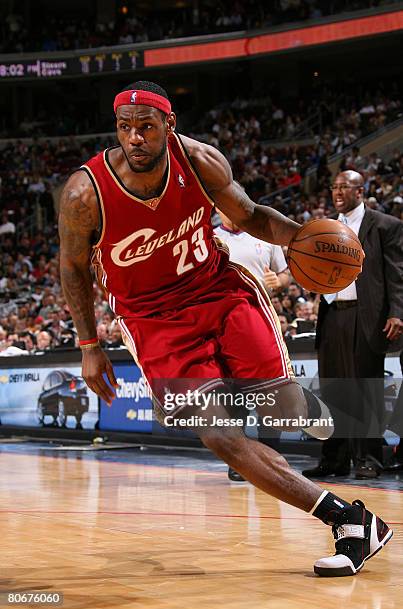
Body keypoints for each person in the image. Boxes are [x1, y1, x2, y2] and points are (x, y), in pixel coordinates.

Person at [59, 81, 392, 577]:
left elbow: (253, 215)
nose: (135, 138)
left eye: (146, 127)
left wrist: (305, 241)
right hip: (152, 319)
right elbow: (71, 268)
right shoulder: (84, 193)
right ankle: (349, 520)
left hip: (220, 291)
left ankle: (303, 404)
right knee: (218, 434)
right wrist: (89, 345)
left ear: (169, 126)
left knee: (279, 406)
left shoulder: (199, 162)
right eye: (125, 128)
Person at [303, 170, 403, 480]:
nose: (337, 192)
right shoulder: (326, 228)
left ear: (360, 191)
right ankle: (334, 459)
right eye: (334, 187)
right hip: (332, 313)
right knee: (332, 388)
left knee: (364, 388)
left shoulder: (385, 225)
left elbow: (397, 275)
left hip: (366, 314)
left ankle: (369, 458)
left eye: (344, 187)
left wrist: (397, 312)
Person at [214, 209, 289, 481]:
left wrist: (278, 282)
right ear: (216, 207)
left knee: (270, 391)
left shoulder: (265, 237)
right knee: (235, 396)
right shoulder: (208, 238)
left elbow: (284, 274)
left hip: (262, 317)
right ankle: (241, 461)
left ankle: (273, 457)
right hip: (223, 323)